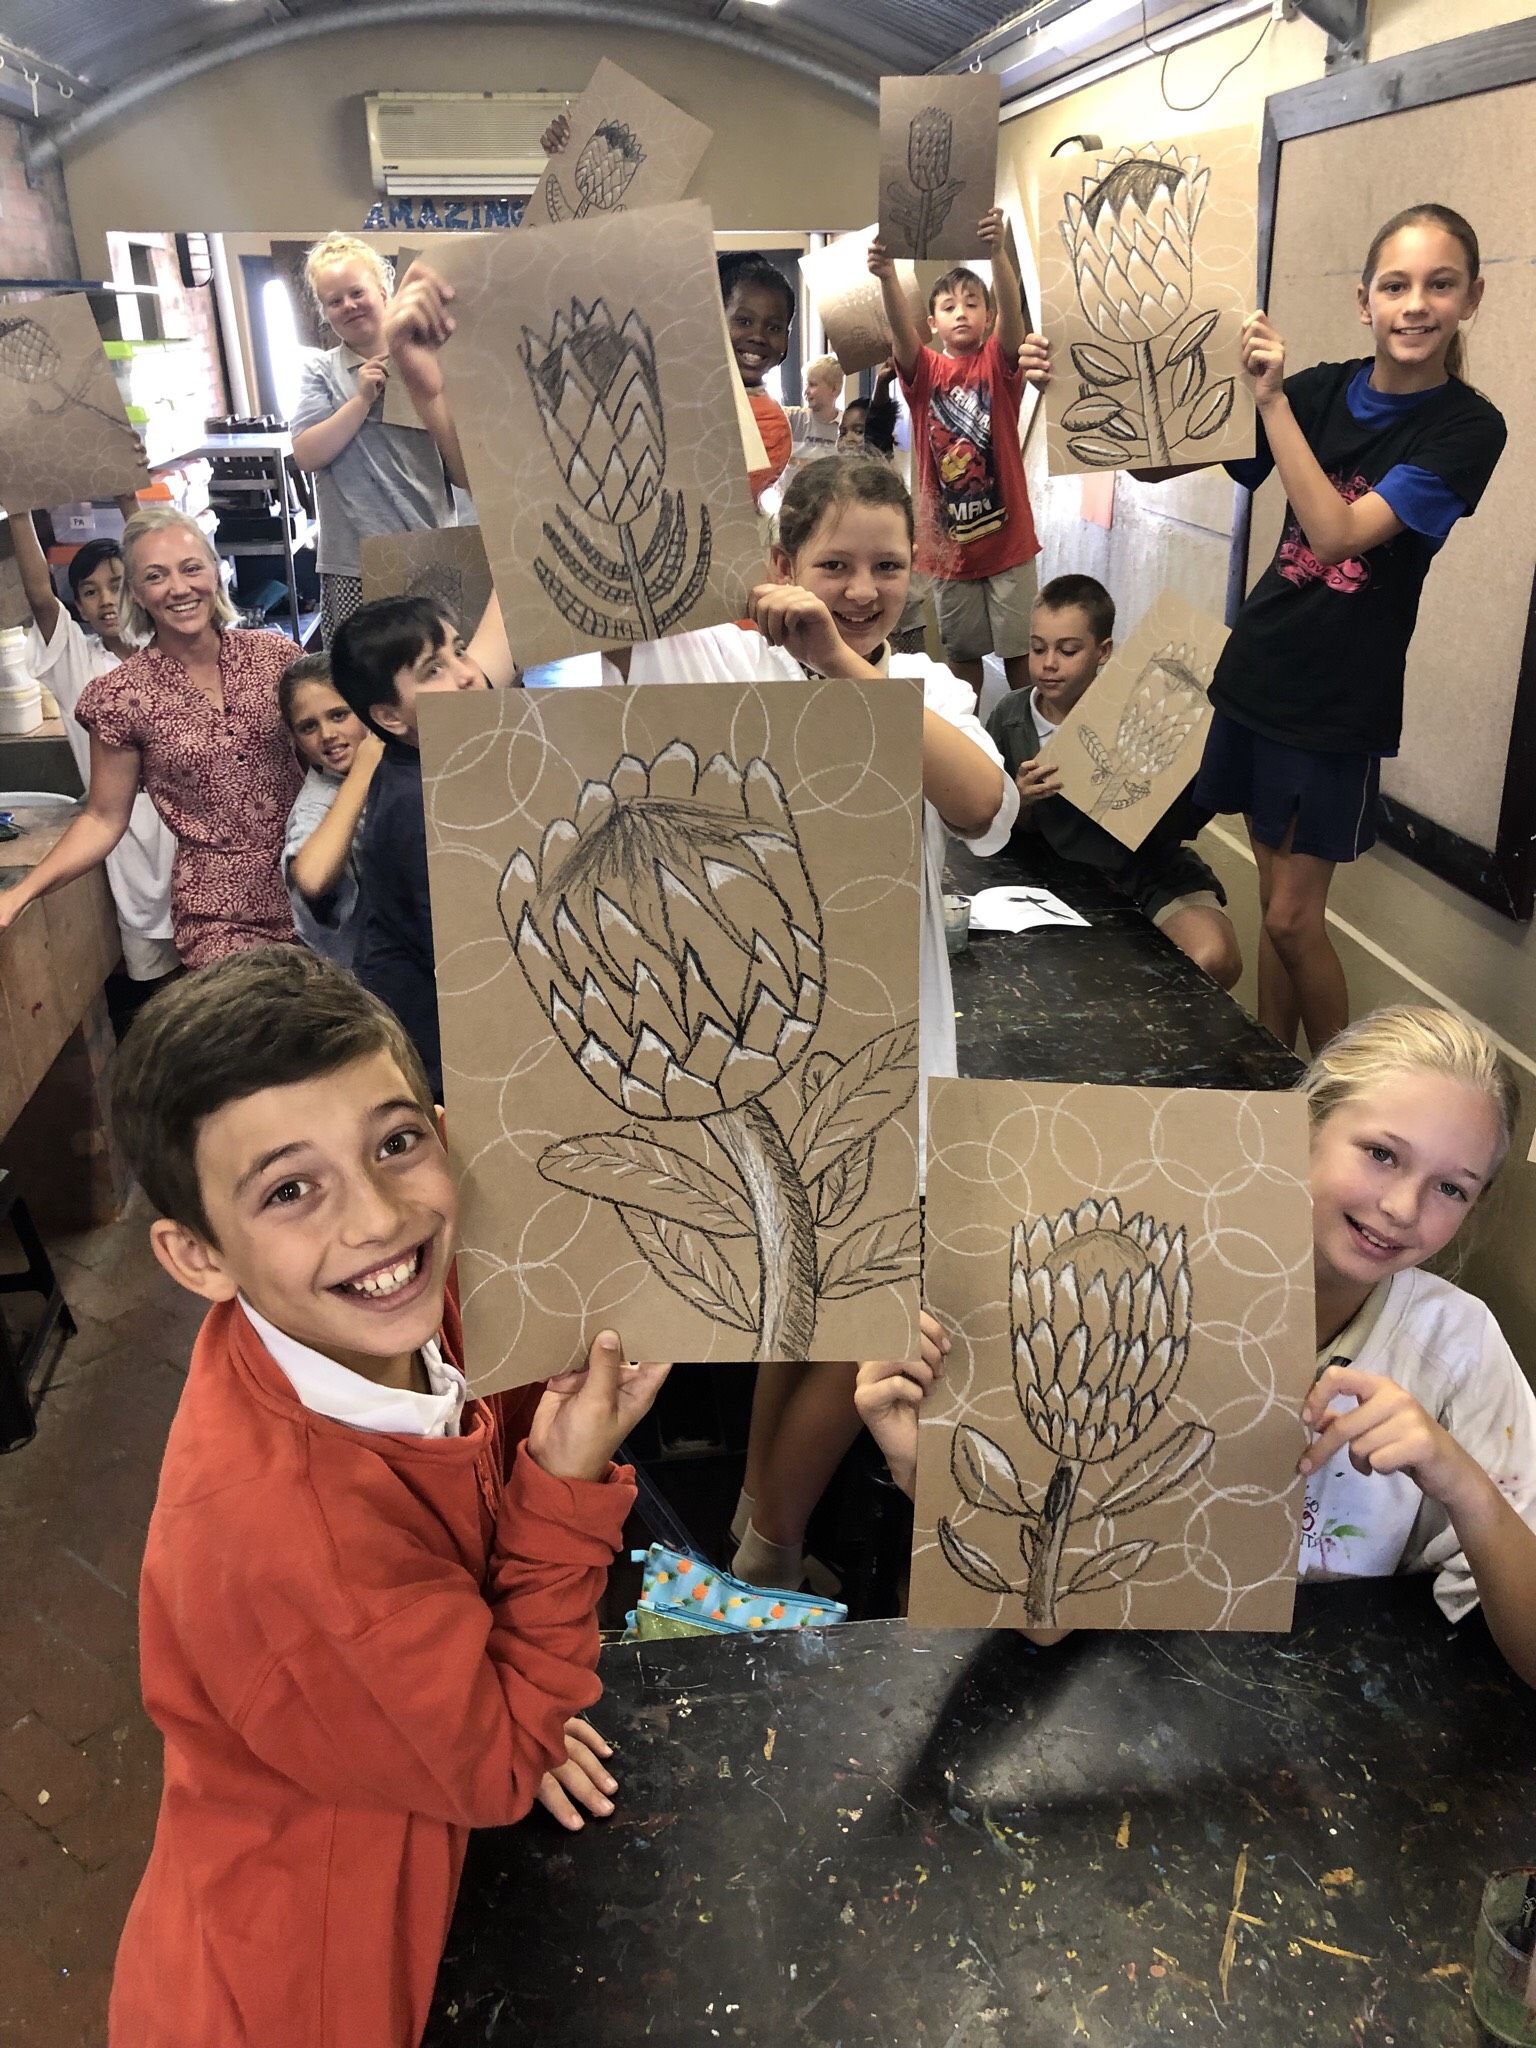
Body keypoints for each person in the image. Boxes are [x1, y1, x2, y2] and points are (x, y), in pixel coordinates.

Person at [105, 945, 668, 2047]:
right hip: (315, 1983)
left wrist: (495, 1688)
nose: (377, 1218)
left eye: (396, 1141)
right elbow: (501, 1758)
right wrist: (562, 1489)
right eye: (289, 1189)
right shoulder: (281, 1540)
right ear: (196, 1255)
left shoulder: (394, 1308)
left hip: (400, 1812)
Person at [857, 1003, 1536, 1687]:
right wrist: (926, 1468)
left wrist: (1463, 1485)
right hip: (1131, 1699)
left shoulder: (1458, 1347)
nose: (1403, 1207)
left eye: (1451, 1187)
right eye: (1381, 1154)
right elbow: (1047, 1621)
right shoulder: (1146, 1302)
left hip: (1322, 1713)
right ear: (1303, 1131)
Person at [1022, 205, 1507, 1053]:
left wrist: (1273, 400)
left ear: (1472, 298)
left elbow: (1339, 532)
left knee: (1291, 921)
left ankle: (1333, 1096)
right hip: (1253, 677)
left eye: (1440, 284)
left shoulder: (1465, 427)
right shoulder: (1324, 387)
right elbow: (1157, 457)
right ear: (1366, 300)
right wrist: (1070, 382)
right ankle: (1273, 1067)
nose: (1416, 303)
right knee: (1277, 904)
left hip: (1335, 705)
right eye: (1395, 285)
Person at [0, 507, 303, 965]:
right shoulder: (121, 696)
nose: (179, 589)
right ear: (137, 594)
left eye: (191, 568)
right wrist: (20, 894)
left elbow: (335, 754)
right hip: (220, 913)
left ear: (215, 574)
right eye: (156, 576)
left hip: (317, 885)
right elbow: (103, 818)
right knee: (255, 1030)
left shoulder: (275, 658)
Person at [987, 574, 1242, 989]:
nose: (1049, 663)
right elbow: (990, 829)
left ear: (1104, 651)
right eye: (1037, 648)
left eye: (1068, 650)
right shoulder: (1010, 719)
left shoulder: (1140, 711)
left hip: (1149, 870)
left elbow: (1187, 820)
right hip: (1056, 876)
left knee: (1214, 960)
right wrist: (1016, 801)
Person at [6, 504, 178, 986]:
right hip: (124, 840)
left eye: (119, 585)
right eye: (89, 591)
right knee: (156, 978)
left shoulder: (169, 651)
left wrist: (128, 493)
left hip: (183, 831)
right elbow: (40, 597)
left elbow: (158, 553)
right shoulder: (78, 664)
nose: (106, 600)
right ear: (77, 605)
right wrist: (18, 505)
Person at [871, 210, 1040, 695]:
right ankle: (975, 740)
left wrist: (997, 253)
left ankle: (1021, 742)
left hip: (1008, 542)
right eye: (948, 306)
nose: (961, 311)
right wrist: (886, 276)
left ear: (986, 317)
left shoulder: (998, 363)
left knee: (1020, 659)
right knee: (963, 659)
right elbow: (901, 335)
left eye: (972, 303)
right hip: (950, 549)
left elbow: (1013, 312)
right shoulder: (924, 375)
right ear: (933, 322)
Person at [328, 597, 487, 1103]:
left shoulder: (436, 760)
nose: (466, 674)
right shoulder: (417, 804)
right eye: (434, 670)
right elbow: (465, 954)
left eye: (460, 651)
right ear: (390, 717)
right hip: (435, 1044)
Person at [289, 233, 456, 646]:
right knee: (364, 680)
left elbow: (462, 456)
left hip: (431, 545)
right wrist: (361, 399)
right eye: (334, 300)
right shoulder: (320, 371)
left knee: (440, 667)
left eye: (356, 292)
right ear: (324, 312)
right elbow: (307, 453)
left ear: (384, 292)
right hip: (353, 562)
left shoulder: (429, 362)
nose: (348, 305)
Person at [279, 651, 381, 968]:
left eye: (338, 715)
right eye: (309, 727)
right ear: (294, 738)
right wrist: (364, 770)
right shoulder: (317, 803)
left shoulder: (397, 763)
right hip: (358, 978)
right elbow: (312, 877)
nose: (327, 735)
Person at [718, 250, 794, 504]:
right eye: (744, 321)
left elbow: (732, 496)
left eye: (774, 328)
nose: (758, 336)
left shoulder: (770, 423)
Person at [779, 351, 843, 490]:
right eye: (805, 384)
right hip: (790, 505)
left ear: (834, 389)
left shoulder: (845, 427)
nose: (806, 391)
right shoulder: (792, 418)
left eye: (812, 385)